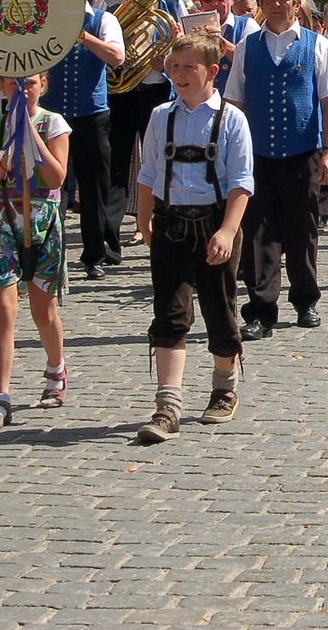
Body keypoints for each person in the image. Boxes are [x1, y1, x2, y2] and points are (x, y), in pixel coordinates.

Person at [134, 32, 256, 442]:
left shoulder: (231, 119)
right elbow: (149, 172)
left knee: (219, 309)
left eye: (190, 67)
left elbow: (241, 182)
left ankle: (224, 387)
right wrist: (144, 221)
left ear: (212, 72)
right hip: (170, 223)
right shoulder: (160, 116)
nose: (179, 74)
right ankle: (167, 406)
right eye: (175, 66)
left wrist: (227, 230)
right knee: (169, 312)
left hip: (214, 223)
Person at [223, 0, 328, 338]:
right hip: (258, 155)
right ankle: (261, 310)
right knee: (259, 233)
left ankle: (306, 299)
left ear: (296, 4)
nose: (276, 5)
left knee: (302, 231)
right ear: (261, 5)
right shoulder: (247, 47)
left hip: (303, 153)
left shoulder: (318, 44)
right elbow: (234, 102)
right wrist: (232, 153)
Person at [0, 72, 72, 432]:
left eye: (29, 83)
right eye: (13, 84)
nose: (22, 90)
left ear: (43, 85)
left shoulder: (53, 123)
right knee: (2, 305)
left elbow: (57, 177)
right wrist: (2, 159)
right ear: (2, 87)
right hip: (3, 220)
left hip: (42, 221)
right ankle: (1, 396)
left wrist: (31, 138)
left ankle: (56, 366)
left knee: (42, 309)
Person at [39, 0, 126, 279]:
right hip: (52, 116)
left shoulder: (105, 20)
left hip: (91, 115)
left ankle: (94, 255)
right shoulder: (47, 18)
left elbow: (117, 57)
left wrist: (84, 37)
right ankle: (51, 253)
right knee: (52, 186)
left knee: (94, 187)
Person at [105, 0, 184, 267]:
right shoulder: (113, 1)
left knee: (158, 161)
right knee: (117, 167)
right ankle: (110, 240)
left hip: (155, 92)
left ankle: (155, 225)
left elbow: (181, 49)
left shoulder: (169, 3)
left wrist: (164, 63)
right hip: (121, 92)